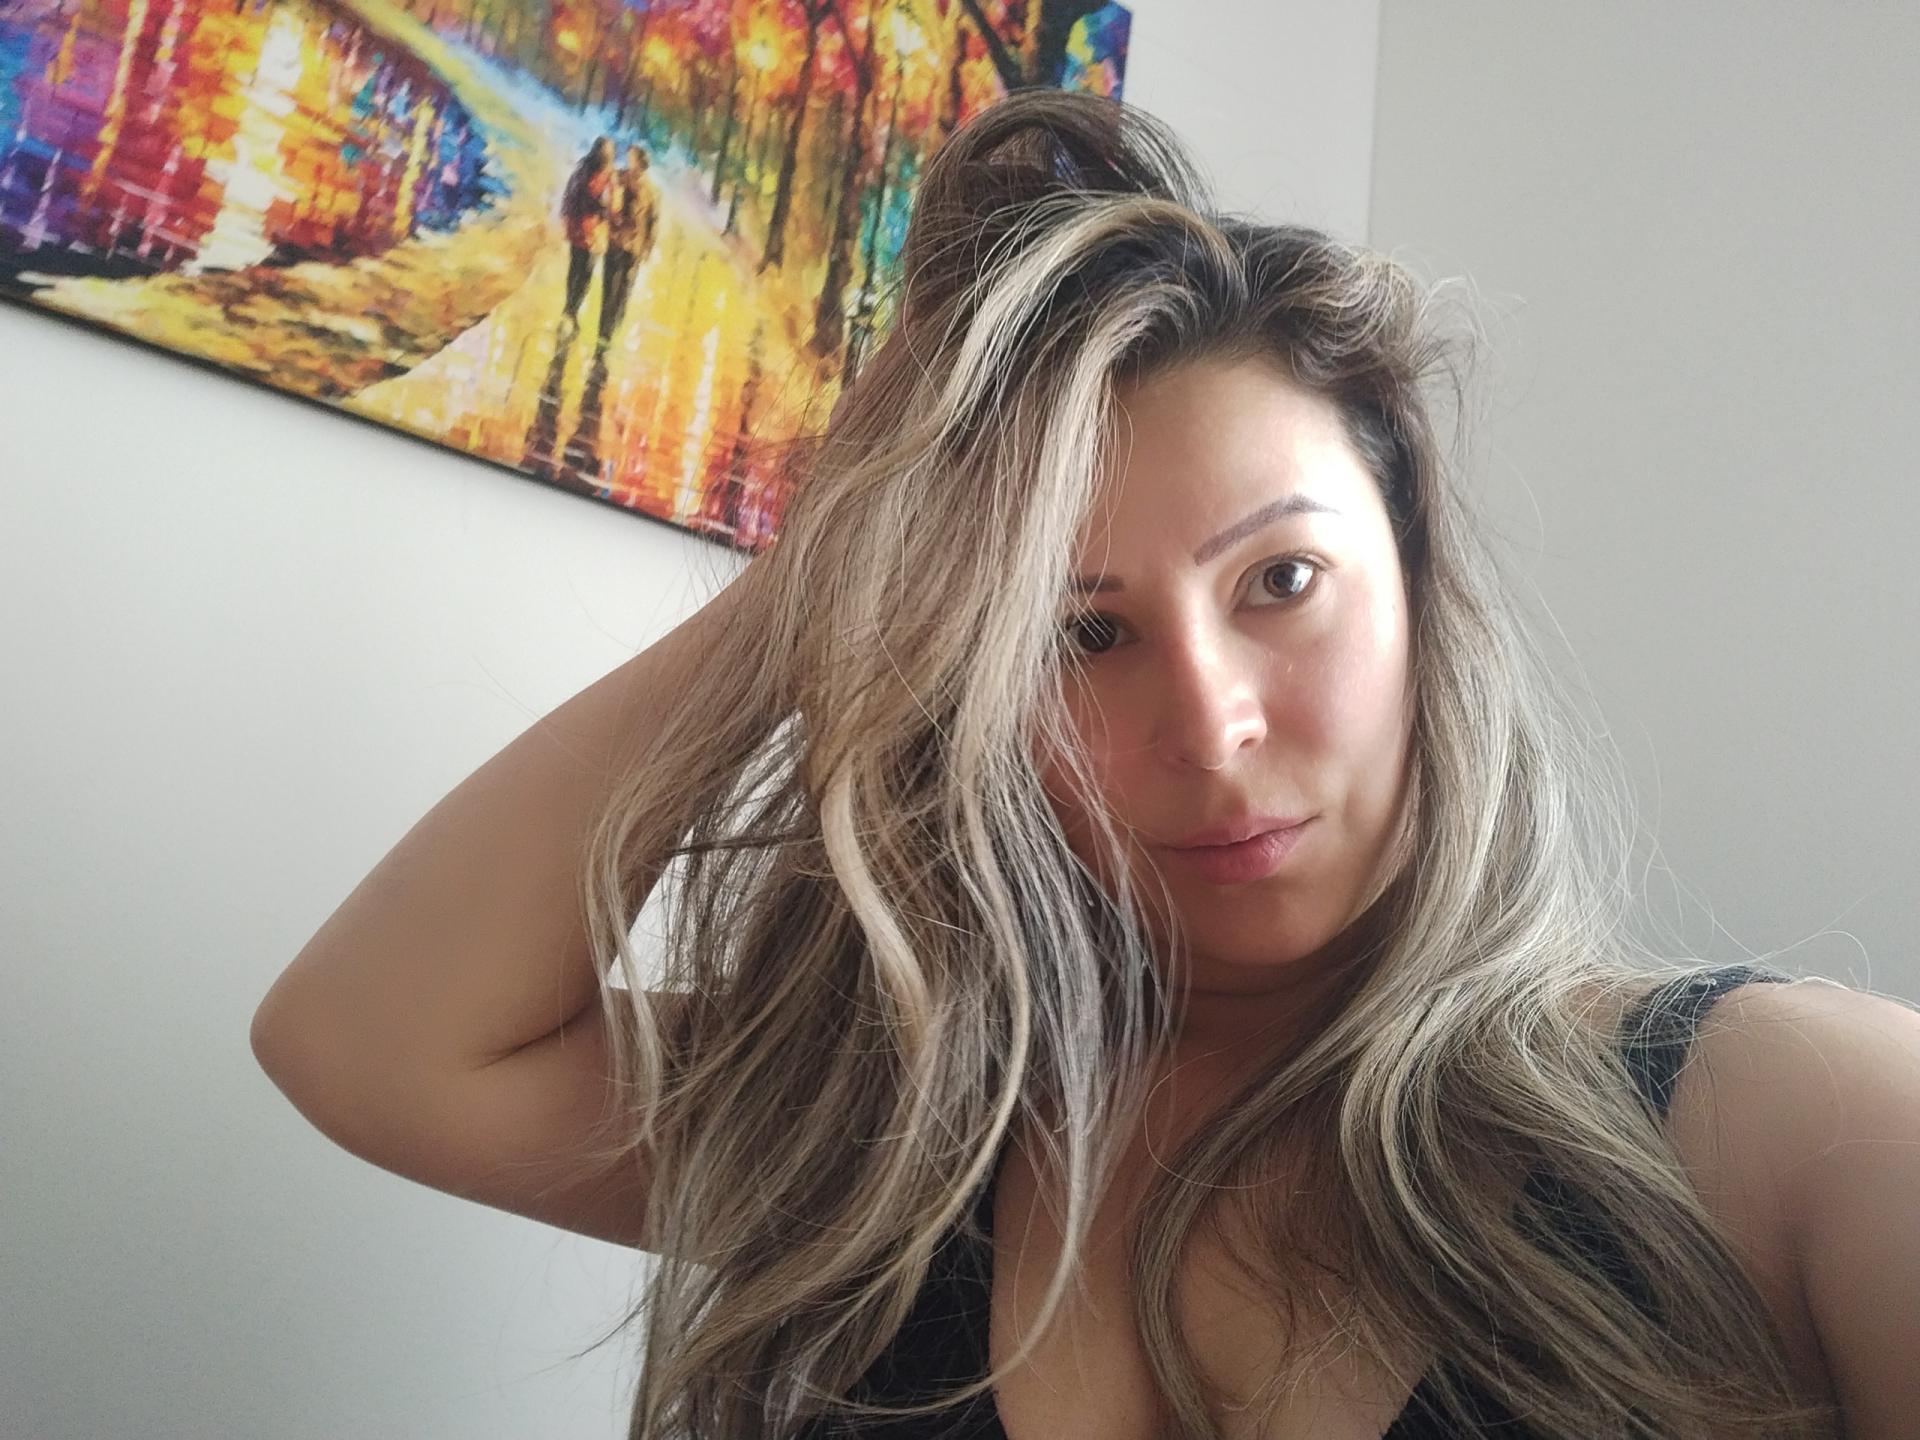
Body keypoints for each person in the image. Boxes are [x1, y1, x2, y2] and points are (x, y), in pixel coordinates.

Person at [252, 91, 1916, 1440]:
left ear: (1419, 585)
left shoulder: (1801, 1127)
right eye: (1078, 631)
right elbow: (371, 1044)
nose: (1210, 724)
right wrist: (845, 546)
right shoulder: (892, 1146)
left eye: (1282, 581)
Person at [598, 143, 658, 350]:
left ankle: (611, 331)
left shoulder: (650, 190)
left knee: (623, 292)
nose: (630, 162)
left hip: (633, 248)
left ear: (641, 163)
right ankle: (603, 331)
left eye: (633, 158)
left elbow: (653, 220)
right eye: (629, 157)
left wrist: (647, 247)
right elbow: (607, 204)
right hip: (615, 241)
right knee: (608, 288)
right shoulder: (619, 178)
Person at [558, 136, 615, 332]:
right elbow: (609, 206)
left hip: (581, 230)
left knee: (576, 271)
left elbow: (569, 197)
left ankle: (569, 309)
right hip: (591, 232)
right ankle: (571, 311)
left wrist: (566, 217)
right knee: (583, 274)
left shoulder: (583, 170)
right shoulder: (604, 177)